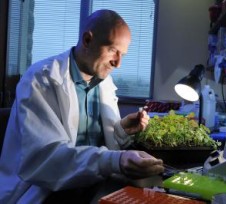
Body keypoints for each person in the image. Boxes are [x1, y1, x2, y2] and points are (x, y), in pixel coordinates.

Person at [0, 9, 164, 203]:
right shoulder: (40, 80)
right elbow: (47, 158)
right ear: (87, 40)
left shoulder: (104, 82)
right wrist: (116, 160)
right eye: (112, 50)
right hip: (44, 191)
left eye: (123, 55)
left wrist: (120, 130)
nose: (118, 63)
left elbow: (96, 144)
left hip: (92, 185)